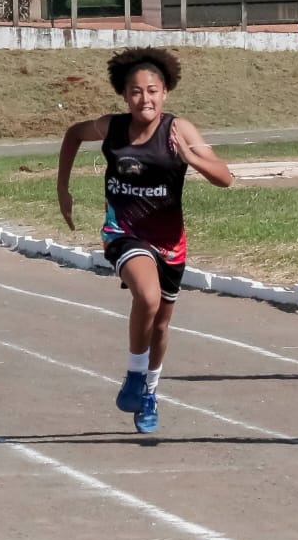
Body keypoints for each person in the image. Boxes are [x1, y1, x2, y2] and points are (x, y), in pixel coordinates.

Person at [57, 47, 233, 434]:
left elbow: (225, 177)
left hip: (170, 240)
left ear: (165, 91)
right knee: (147, 297)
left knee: (162, 326)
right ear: (124, 94)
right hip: (124, 233)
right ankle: (135, 375)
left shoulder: (179, 129)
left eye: (152, 90)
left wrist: (193, 157)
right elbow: (73, 134)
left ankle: (149, 392)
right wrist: (62, 189)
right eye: (135, 91)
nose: (145, 99)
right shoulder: (112, 127)